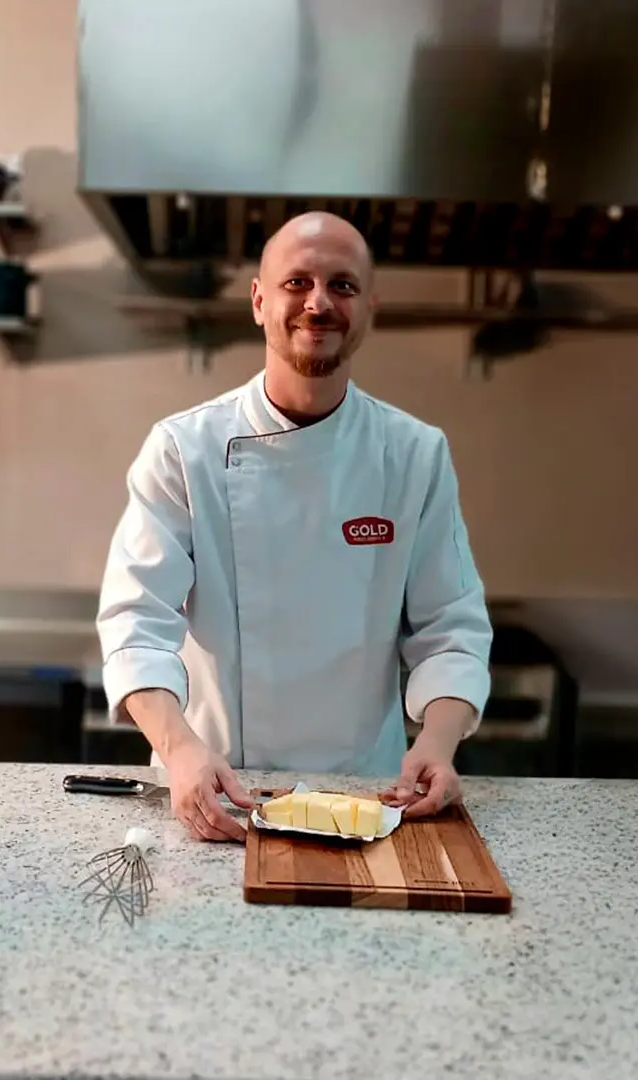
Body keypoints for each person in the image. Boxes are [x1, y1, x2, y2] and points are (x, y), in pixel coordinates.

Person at [95, 211, 494, 842]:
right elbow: (135, 624)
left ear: (369, 308)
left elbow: (451, 630)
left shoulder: (414, 454)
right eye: (296, 283)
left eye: (342, 285)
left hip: (368, 797)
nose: (319, 303)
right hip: (219, 790)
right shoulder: (184, 449)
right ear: (259, 300)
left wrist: (440, 745)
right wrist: (179, 751)